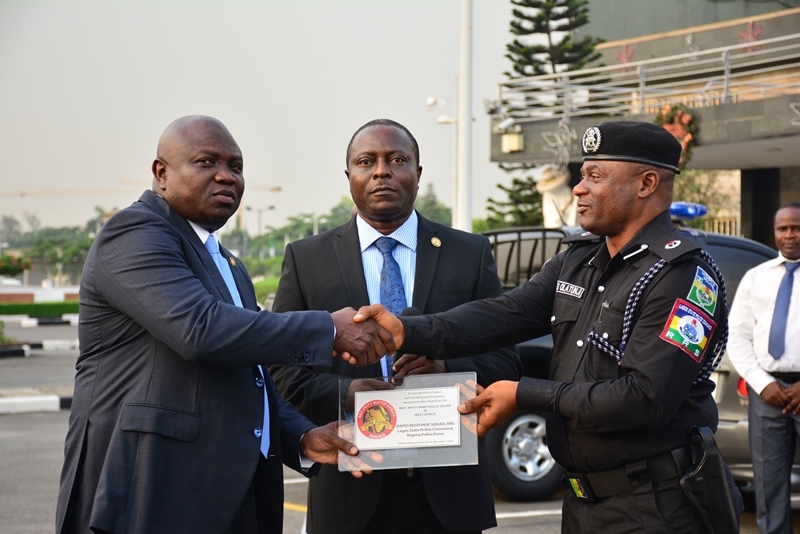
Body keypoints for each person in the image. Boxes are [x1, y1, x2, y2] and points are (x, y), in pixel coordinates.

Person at [356, 121, 744, 533]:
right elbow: (502, 314)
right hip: (582, 505)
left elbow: (645, 398)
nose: (579, 188)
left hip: (655, 506)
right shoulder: (579, 260)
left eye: (595, 176)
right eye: (582, 176)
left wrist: (523, 394)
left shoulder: (681, 275)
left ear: (647, 183)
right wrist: (405, 331)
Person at [55, 115, 393, 534]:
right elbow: (200, 330)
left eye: (236, 166)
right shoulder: (135, 232)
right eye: (206, 162)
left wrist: (302, 438)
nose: (226, 176)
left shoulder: (229, 265)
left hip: (234, 494)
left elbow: (248, 375)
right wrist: (328, 328)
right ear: (161, 173)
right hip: (153, 490)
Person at [268, 118, 521, 534]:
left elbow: (506, 357)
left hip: (449, 497)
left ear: (418, 175)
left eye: (397, 159)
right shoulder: (306, 259)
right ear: (349, 175)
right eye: (367, 161)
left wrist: (446, 371)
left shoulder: (468, 253)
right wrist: (347, 393)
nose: (381, 171)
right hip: (351, 487)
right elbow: (282, 367)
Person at [728, 202, 800, 534]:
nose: (790, 234)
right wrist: (762, 382)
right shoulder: (756, 278)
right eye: (782, 228)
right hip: (767, 393)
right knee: (769, 487)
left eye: (796, 227)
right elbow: (737, 336)